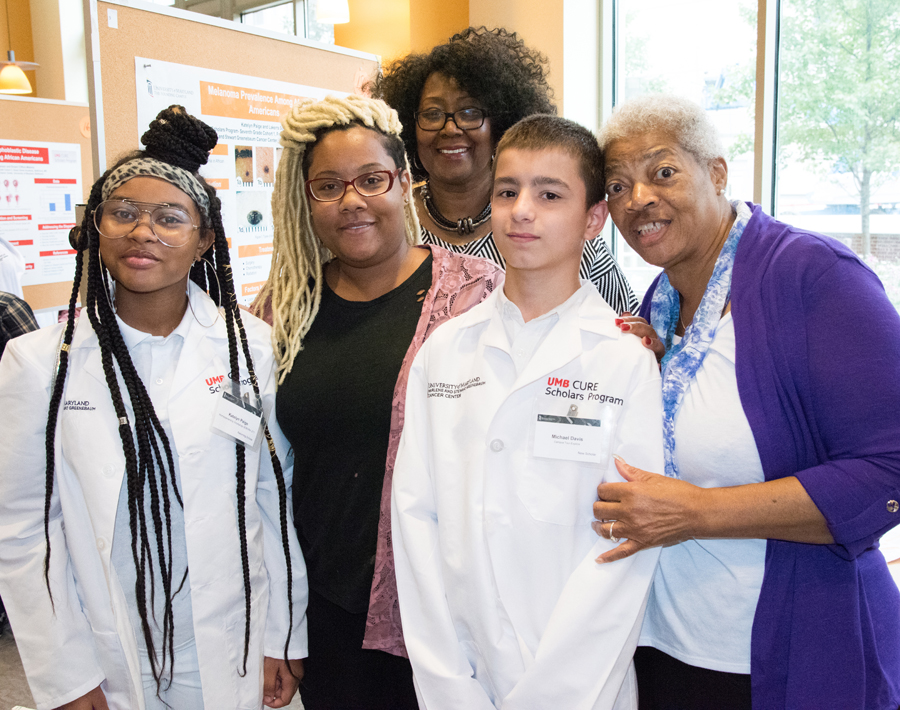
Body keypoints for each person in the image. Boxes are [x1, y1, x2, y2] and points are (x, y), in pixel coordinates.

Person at [594, 94, 900, 710]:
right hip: (663, 647)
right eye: (618, 185)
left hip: (788, 653)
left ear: (718, 172)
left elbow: (887, 473)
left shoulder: (815, 277)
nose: (638, 199)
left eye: (663, 172)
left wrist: (700, 512)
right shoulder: (659, 300)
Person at [0, 106, 308, 710]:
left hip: (231, 639)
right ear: (95, 226)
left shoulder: (251, 347)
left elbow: (275, 495)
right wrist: (65, 674)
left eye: (171, 218)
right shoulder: (38, 364)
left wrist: (284, 632)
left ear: (204, 240)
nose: (144, 232)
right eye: (123, 213)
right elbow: (22, 530)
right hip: (105, 644)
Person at [391, 114, 664, 710]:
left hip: (583, 684)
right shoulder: (444, 350)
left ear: (594, 219)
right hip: (460, 681)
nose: (522, 211)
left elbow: (626, 546)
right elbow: (415, 522)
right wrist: (448, 686)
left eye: (549, 194)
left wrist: (552, 695)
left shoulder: (624, 360)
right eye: (508, 191)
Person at [254, 94, 502, 709]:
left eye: (372, 180)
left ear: (406, 186)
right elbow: (258, 474)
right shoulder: (278, 312)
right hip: (328, 609)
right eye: (328, 185)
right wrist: (274, 625)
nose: (352, 201)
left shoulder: (479, 296)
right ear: (303, 199)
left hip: (450, 612)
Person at [374, 26, 638, 315]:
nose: (450, 128)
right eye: (433, 114)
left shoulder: (563, 233)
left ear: (501, 125)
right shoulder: (390, 225)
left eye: (469, 113)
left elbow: (625, 323)